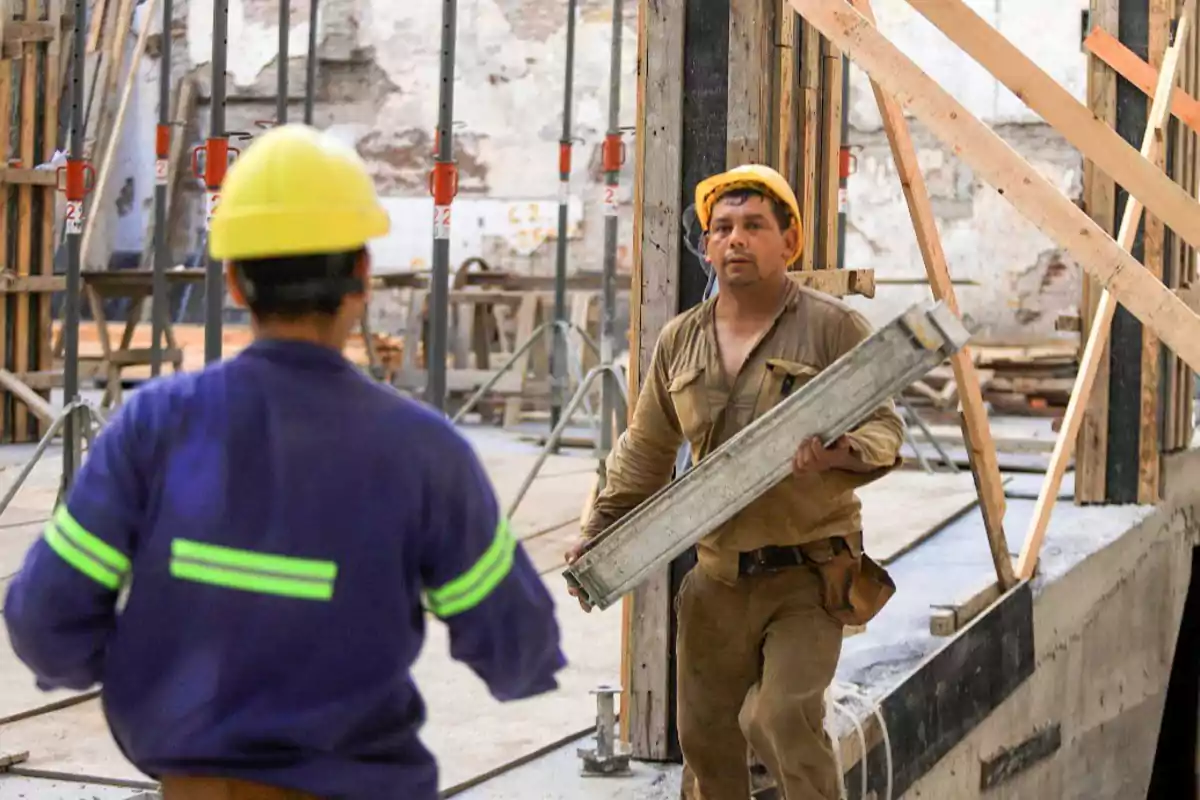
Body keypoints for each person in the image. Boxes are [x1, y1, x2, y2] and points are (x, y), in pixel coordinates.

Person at [4, 124, 566, 800]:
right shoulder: (423, 450)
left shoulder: (155, 423)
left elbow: (44, 622)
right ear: (361, 275)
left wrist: (141, 671)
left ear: (236, 282)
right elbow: (517, 652)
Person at [566, 164, 903, 799]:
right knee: (705, 742)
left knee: (780, 715)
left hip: (810, 576)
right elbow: (645, 450)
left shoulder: (832, 328)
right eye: (722, 229)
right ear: (708, 246)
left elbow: (884, 427)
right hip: (717, 581)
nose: (735, 240)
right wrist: (598, 537)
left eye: (753, 226)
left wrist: (841, 452)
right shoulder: (681, 342)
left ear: (789, 242)